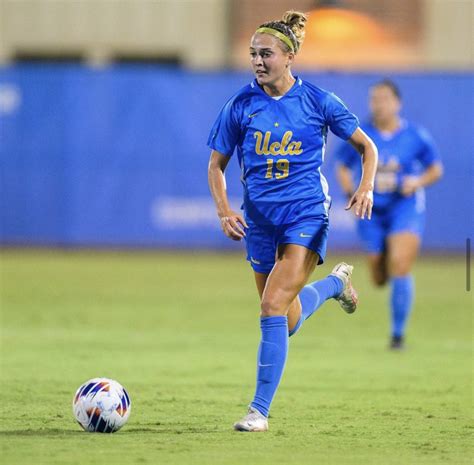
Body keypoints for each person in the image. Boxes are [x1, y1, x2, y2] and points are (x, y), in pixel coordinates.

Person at [207, 11, 378, 432]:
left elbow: (366, 147)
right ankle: (336, 284)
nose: (258, 61)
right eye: (252, 54)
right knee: (285, 317)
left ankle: (258, 411)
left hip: (306, 213)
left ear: (290, 57)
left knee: (270, 305)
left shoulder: (319, 101)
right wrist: (225, 210)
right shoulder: (240, 105)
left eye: (266, 54)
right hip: (260, 222)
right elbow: (216, 165)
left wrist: (366, 186)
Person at [335, 79, 443, 350]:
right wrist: (350, 188)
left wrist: (416, 183)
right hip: (370, 209)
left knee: (401, 264)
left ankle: (397, 336)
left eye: (384, 99)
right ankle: (382, 268)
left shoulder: (415, 135)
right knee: (379, 276)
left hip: (404, 207)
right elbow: (342, 165)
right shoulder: (362, 134)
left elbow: (435, 168)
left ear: (397, 103)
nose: (378, 104)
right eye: (374, 99)